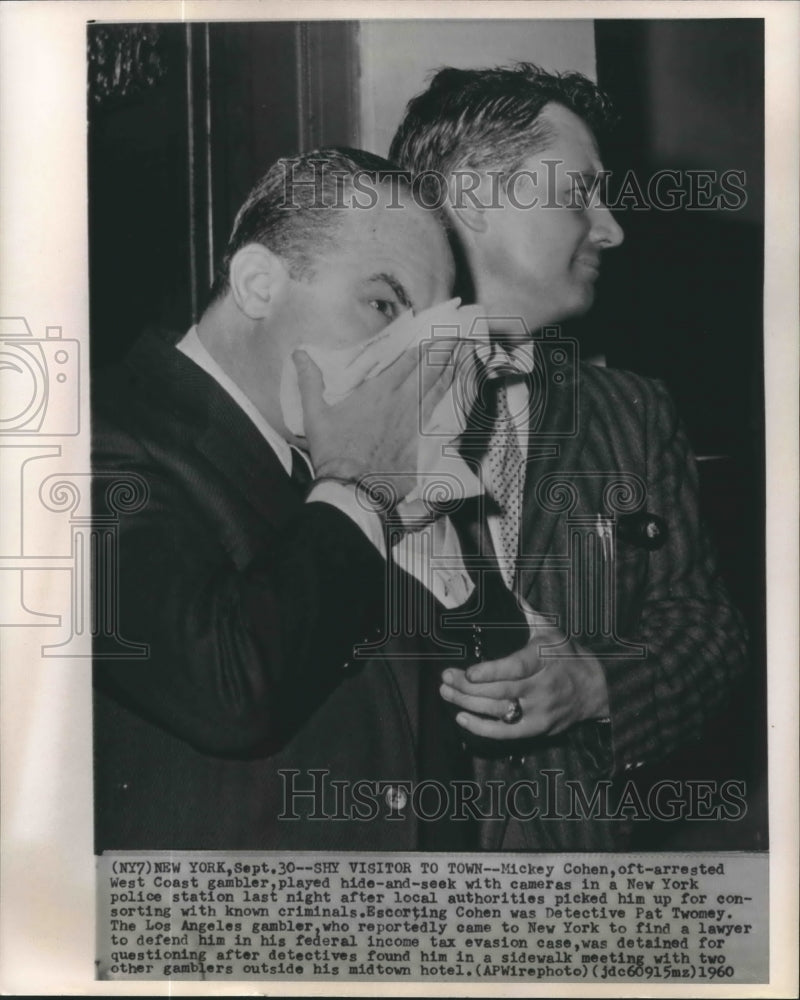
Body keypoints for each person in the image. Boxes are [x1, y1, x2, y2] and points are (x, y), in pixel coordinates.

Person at [92, 147, 519, 852]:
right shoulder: (89, 431)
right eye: (384, 305)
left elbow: (446, 697)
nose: (413, 359)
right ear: (259, 285)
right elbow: (227, 689)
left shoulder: (314, 460)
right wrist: (355, 485)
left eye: (429, 329)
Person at [389, 64, 749, 850]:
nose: (612, 227)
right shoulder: (340, 401)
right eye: (578, 193)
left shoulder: (632, 411)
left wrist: (593, 684)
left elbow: (709, 629)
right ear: (478, 196)